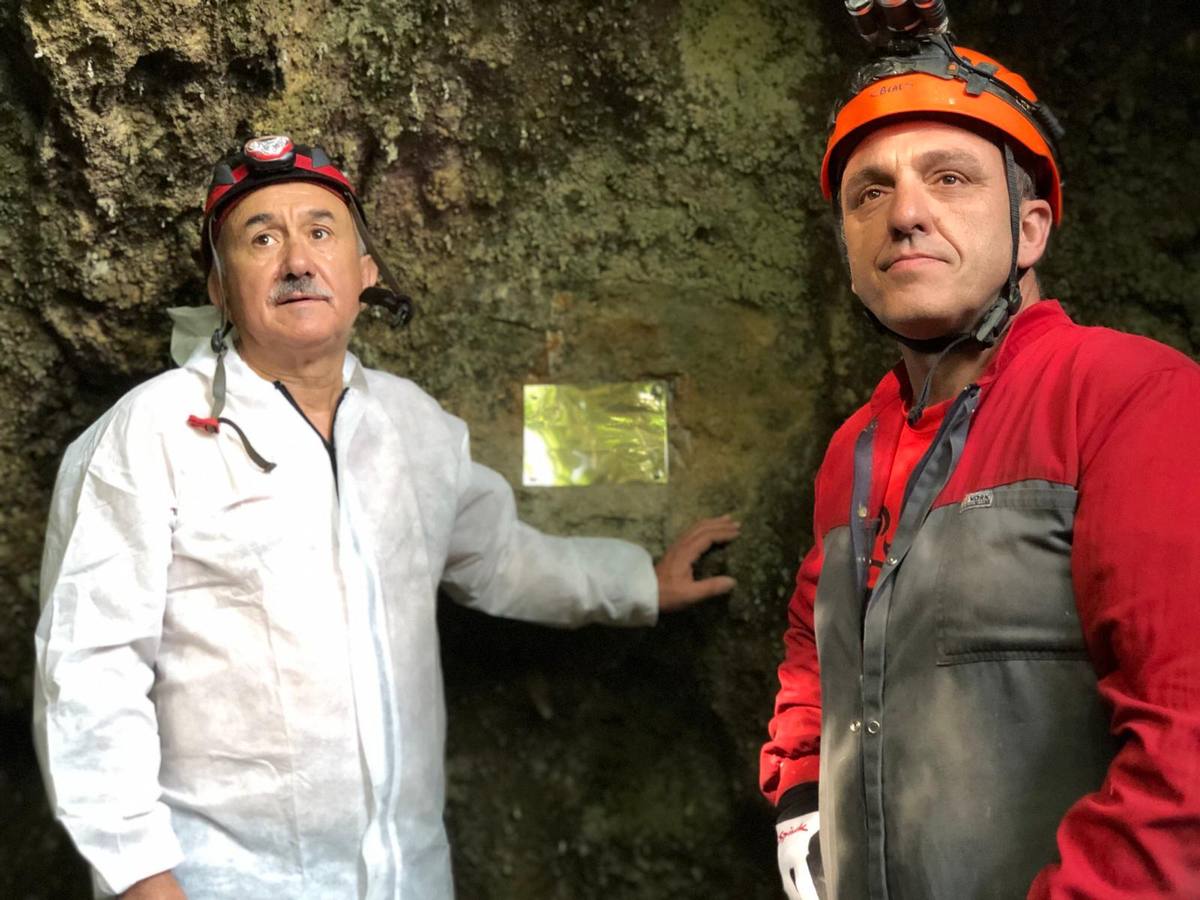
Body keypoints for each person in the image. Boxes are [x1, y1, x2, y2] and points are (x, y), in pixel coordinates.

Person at [33, 136, 739, 900]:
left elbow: (497, 559)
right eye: (261, 238)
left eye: (321, 230)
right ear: (218, 286)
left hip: (407, 878)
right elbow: (88, 671)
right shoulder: (150, 433)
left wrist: (637, 583)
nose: (297, 259)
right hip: (220, 882)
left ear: (365, 272)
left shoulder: (413, 428)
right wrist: (140, 877)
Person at [760, 36, 1200, 900]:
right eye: (870, 192)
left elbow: (1187, 745)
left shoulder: (1132, 398)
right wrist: (800, 784)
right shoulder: (855, 446)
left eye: (950, 177)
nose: (905, 213)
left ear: (1030, 228)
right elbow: (816, 638)